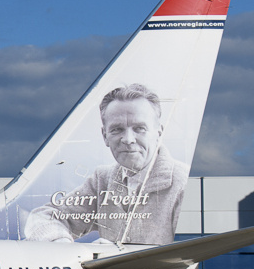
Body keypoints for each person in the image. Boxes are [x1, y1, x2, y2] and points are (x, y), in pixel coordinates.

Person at [23, 83, 188, 246]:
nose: (128, 139)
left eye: (139, 128)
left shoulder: (182, 183)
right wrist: (63, 245)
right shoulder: (102, 180)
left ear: (159, 133)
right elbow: (43, 217)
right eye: (117, 129)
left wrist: (113, 254)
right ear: (105, 136)